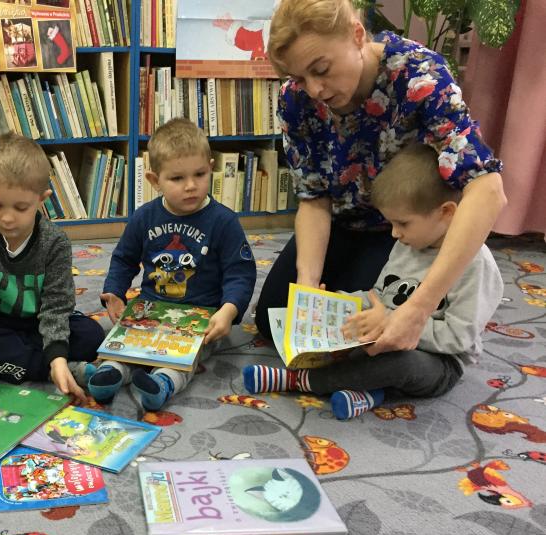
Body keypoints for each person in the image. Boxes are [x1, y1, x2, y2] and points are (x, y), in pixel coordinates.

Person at [252, 0, 506, 359]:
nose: (315, 90)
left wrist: (418, 308)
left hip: (401, 232)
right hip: (338, 222)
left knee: (371, 328)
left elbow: (487, 189)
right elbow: (313, 197)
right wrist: (307, 286)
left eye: (321, 69)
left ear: (357, 35)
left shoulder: (420, 76)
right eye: (299, 78)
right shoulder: (296, 100)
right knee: (274, 316)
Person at [243, 144, 503, 419]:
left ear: (446, 212)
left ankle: (301, 381)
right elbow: (379, 295)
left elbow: (458, 337)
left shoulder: (475, 264)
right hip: (386, 339)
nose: (394, 234)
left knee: (400, 364)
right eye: (391, 224)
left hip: (438, 361)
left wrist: (387, 323)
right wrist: (340, 302)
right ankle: (371, 393)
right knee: (351, 336)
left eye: (403, 223)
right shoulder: (407, 244)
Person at [92, 118, 256, 409]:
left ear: (211, 167)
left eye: (200, 174)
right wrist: (114, 292)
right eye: (177, 179)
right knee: (126, 346)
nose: (191, 186)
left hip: (202, 317)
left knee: (182, 358)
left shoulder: (224, 221)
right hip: (150, 308)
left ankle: (163, 383)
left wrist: (228, 311)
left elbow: (239, 273)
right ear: (154, 180)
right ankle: (111, 373)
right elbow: (124, 259)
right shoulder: (144, 217)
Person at [0, 133, 104, 406]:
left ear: (42, 199)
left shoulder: (55, 242)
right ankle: (47, 369)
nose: (7, 217)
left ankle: (45, 364)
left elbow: (57, 304)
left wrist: (57, 356)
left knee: (92, 336)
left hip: (40, 323)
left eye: (21, 207)